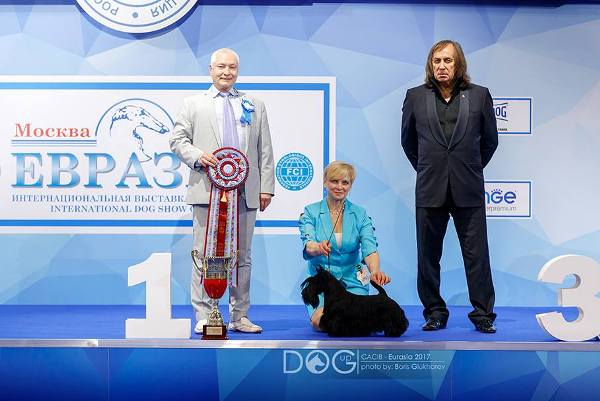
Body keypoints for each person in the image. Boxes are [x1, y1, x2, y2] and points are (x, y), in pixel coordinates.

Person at [170, 48, 274, 334]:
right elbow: (177, 140)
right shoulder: (193, 104)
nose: (227, 72)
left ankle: (239, 316)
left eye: (232, 67)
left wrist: (266, 187)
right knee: (203, 254)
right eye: (221, 67)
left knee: (243, 256)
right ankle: (205, 314)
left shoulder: (254, 104)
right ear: (211, 70)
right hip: (206, 191)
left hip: (246, 192)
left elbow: (265, 148)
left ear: (238, 70)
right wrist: (197, 156)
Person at [401, 40, 498, 333]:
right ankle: (434, 312)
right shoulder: (415, 96)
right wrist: (429, 169)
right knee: (428, 256)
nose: (441, 66)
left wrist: (468, 168)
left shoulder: (479, 95)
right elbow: (408, 143)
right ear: (430, 65)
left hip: (468, 187)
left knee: (477, 256)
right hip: (430, 188)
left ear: (459, 64)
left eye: (447, 60)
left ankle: (483, 314)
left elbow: (490, 142)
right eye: (437, 61)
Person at [298, 161, 391, 330]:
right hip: (323, 284)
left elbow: (369, 248)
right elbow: (308, 244)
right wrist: (318, 247)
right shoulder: (311, 212)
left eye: (345, 182)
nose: (339, 187)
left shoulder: (360, 214)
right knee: (321, 322)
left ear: (350, 186)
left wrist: (375, 271)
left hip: (354, 278)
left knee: (354, 321)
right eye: (334, 181)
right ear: (325, 182)